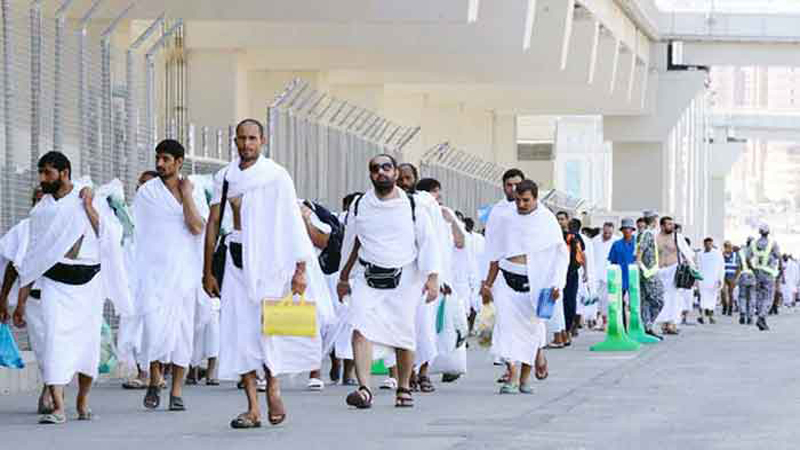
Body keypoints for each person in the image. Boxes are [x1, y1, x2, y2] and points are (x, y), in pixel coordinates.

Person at [203, 119, 325, 428]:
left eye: (252, 138)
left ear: (263, 140)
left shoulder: (276, 176)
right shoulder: (225, 177)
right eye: (242, 139)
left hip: (271, 263)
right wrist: (207, 271)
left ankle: (272, 385)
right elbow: (214, 224)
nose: (246, 144)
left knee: (269, 329)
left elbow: (291, 222)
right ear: (235, 140)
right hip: (236, 260)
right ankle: (252, 408)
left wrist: (300, 269)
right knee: (239, 332)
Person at [12, 151, 131, 424]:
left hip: (89, 284)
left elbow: (110, 235)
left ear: (64, 173)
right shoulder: (41, 211)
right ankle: (58, 407)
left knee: (88, 346)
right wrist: (20, 302)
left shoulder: (87, 197)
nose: (43, 179)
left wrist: (89, 206)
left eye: (48, 173)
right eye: (40, 173)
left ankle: (82, 402)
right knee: (54, 341)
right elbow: (33, 257)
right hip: (55, 284)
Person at [337, 153, 440, 409]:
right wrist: (343, 276)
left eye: (386, 167)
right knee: (360, 328)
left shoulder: (414, 205)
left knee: (403, 335)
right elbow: (351, 242)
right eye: (375, 168)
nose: (381, 172)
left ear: (395, 173)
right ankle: (364, 389)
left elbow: (427, 243)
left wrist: (433, 278)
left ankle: (404, 387)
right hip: (367, 276)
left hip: (405, 277)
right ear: (370, 174)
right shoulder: (360, 205)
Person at [134, 139, 206, 412]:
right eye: (158, 159)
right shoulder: (147, 193)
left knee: (181, 334)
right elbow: (140, 232)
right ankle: (154, 379)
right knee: (153, 329)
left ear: (179, 162)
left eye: (165, 159)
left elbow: (197, 227)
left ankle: (176, 391)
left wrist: (186, 195)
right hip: (153, 273)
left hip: (183, 274)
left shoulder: (193, 191)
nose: (160, 164)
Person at [480, 180, 567, 394]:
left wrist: (557, 284)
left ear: (536, 198)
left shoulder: (547, 220)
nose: (521, 204)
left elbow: (560, 255)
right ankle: (512, 376)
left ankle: (525, 379)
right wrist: (488, 283)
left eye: (526, 200)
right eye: (518, 200)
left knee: (532, 333)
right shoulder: (506, 218)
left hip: (535, 286)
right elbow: (495, 253)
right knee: (506, 331)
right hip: (507, 283)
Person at [0, 188, 48, 413]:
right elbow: (12, 265)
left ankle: (52, 391)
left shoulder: (66, 228)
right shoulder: (23, 230)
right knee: (42, 348)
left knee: (58, 345)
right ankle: (50, 388)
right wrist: (4, 301)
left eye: (44, 201)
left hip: (66, 298)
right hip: (34, 300)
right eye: (35, 201)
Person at [416, 178, 467, 387]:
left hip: (443, 282)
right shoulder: (418, 213)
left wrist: (452, 220)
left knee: (434, 329)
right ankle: (412, 372)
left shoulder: (444, 215)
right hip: (419, 280)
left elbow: (461, 242)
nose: (438, 196)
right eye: (434, 192)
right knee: (419, 328)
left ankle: (425, 371)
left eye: (438, 192)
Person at [483, 169, 526, 381]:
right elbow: (491, 246)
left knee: (525, 324)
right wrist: (487, 281)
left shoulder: (534, 210)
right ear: (503, 186)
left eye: (517, 184)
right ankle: (511, 368)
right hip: (502, 275)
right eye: (509, 185)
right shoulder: (497, 212)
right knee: (505, 323)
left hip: (528, 276)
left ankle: (528, 362)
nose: (513, 189)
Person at [654, 216, 693, 335]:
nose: (672, 226)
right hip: (659, 270)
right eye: (669, 224)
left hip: (673, 269)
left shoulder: (677, 237)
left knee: (674, 297)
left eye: (672, 224)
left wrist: (693, 269)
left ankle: (672, 323)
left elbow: (688, 254)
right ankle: (663, 323)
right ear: (662, 226)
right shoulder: (655, 237)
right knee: (660, 296)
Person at [636, 211, 664, 340]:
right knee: (658, 300)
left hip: (648, 271)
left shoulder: (645, 233)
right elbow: (639, 253)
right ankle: (647, 324)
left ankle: (647, 327)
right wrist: (642, 269)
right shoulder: (647, 234)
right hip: (648, 273)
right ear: (654, 220)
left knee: (646, 301)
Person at [608, 219, 637, 328]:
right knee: (619, 304)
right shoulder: (616, 244)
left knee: (635, 304)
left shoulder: (638, 244)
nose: (626, 231)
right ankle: (622, 328)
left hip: (635, 278)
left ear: (632, 230)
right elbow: (613, 262)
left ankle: (636, 328)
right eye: (624, 229)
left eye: (628, 229)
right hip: (620, 278)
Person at [750, 224, 780, 331]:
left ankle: (759, 314)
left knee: (759, 295)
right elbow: (777, 256)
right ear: (768, 232)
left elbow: (749, 257)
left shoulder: (753, 243)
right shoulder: (773, 243)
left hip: (757, 272)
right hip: (768, 273)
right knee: (768, 296)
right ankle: (762, 317)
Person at [563, 218, 587, 343]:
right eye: (558, 219)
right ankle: (560, 332)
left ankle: (568, 330)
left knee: (570, 302)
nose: (560, 221)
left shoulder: (576, 237)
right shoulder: (555, 234)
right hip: (558, 273)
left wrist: (586, 272)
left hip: (572, 273)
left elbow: (582, 255)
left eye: (562, 219)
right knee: (559, 304)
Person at [592, 222, 617, 331]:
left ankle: (605, 322)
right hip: (596, 274)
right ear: (602, 230)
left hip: (609, 274)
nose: (607, 235)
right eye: (605, 232)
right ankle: (595, 320)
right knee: (596, 298)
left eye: (609, 233)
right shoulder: (595, 240)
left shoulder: (616, 241)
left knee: (607, 300)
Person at [696, 238, 724, 324]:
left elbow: (721, 267)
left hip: (713, 280)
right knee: (702, 298)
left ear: (712, 244)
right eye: (706, 244)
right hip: (702, 280)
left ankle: (711, 316)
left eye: (710, 244)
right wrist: (696, 280)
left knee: (712, 299)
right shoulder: (700, 254)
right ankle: (701, 316)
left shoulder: (717, 254)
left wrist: (720, 279)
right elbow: (697, 267)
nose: (708, 246)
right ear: (704, 244)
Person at [737, 238, 756, 325]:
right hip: (753, 276)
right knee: (752, 297)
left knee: (742, 296)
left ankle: (742, 313)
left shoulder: (741, 251)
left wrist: (736, 277)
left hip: (743, 275)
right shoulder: (758, 252)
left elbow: (739, 266)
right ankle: (750, 317)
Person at [721, 241, 739, 317]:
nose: (727, 248)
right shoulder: (721, 255)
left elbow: (738, 268)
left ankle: (730, 309)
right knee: (723, 292)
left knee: (730, 293)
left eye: (728, 247)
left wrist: (736, 278)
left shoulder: (735, 255)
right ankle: (725, 306)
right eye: (726, 246)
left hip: (732, 276)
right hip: (723, 276)